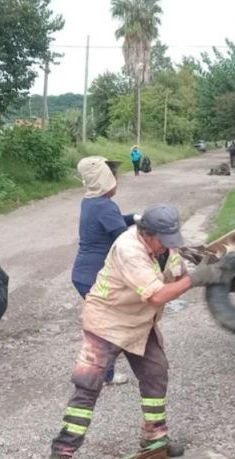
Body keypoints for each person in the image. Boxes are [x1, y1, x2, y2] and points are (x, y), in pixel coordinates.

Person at [46, 204, 223, 459]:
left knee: (155, 373)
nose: (168, 245)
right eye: (163, 240)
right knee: (88, 385)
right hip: (107, 320)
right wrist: (194, 280)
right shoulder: (128, 248)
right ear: (146, 234)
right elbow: (157, 296)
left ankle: (155, 438)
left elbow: (176, 279)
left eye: (171, 239)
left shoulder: (167, 248)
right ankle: (62, 451)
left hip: (140, 322)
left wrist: (204, 271)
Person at [71, 156, 136, 386]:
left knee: (103, 324)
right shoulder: (105, 206)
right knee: (106, 327)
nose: (117, 181)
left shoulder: (91, 202)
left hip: (83, 274)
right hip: (95, 277)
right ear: (105, 179)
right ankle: (103, 374)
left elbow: (116, 221)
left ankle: (96, 369)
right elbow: (124, 240)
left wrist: (136, 218)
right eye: (114, 177)